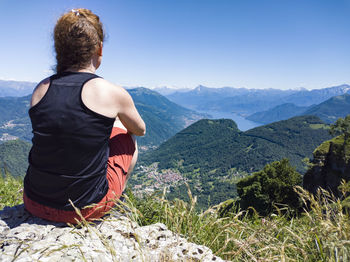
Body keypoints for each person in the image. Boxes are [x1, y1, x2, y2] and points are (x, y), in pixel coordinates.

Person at [23, 8, 146, 224]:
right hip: (85, 209)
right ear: (99, 49)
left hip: (33, 201)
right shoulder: (110, 91)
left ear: (58, 50)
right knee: (126, 134)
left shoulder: (40, 89)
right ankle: (115, 198)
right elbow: (140, 129)